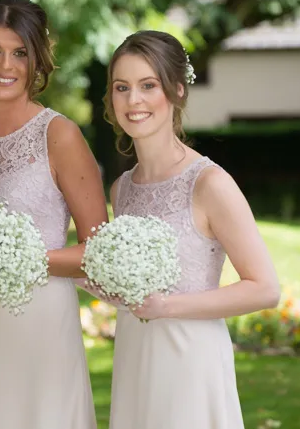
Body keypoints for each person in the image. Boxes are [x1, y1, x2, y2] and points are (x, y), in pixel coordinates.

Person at [104, 30, 280, 429]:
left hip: (190, 361)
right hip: (135, 354)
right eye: (122, 87)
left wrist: (166, 307)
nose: (134, 101)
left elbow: (265, 288)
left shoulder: (209, 183)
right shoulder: (122, 189)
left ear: (177, 91)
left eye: (149, 86)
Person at [0, 0, 108, 429]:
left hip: (39, 327)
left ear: (37, 62)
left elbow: (99, 252)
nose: (6, 65)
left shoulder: (59, 135)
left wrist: (21, 259)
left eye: (20, 53)